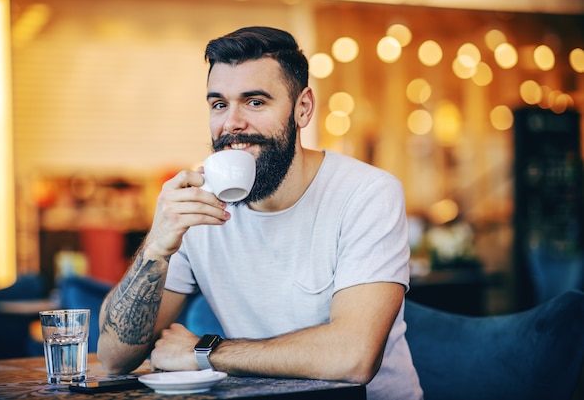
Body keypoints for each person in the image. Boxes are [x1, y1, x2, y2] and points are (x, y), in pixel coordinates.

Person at [97, 26, 423, 400]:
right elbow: (113, 357)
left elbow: (353, 357)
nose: (232, 123)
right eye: (219, 104)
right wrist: (156, 245)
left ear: (303, 109)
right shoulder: (198, 205)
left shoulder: (366, 193)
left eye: (255, 102)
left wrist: (206, 352)